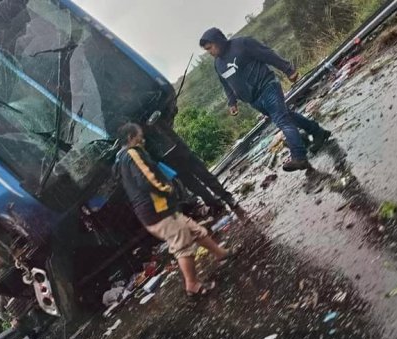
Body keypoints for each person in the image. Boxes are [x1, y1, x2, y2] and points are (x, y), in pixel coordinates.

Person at [115, 122, 234, 296]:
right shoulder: (132, 154)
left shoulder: (121, 159)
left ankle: (221, 254)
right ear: (130, 137)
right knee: (182, 245)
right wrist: (167, 189)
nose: (143, 138)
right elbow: (146, 179)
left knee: (195, 230)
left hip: (159, 209)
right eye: (139, 135)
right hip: (157, 210)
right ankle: (192, 285)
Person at [199, 27, 332, 172]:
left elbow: (268, 55)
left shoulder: (242, 44)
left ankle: (299, 157)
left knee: (282, 120)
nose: (210, 52)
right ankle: (317, 132)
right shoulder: (218, 64)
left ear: (218, 41)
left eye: (210, 47)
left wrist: (288, 69)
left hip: (267, 86)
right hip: (253, 100)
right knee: (286, 115)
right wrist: (232, 102)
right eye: (207, 50)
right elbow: (226, 83)